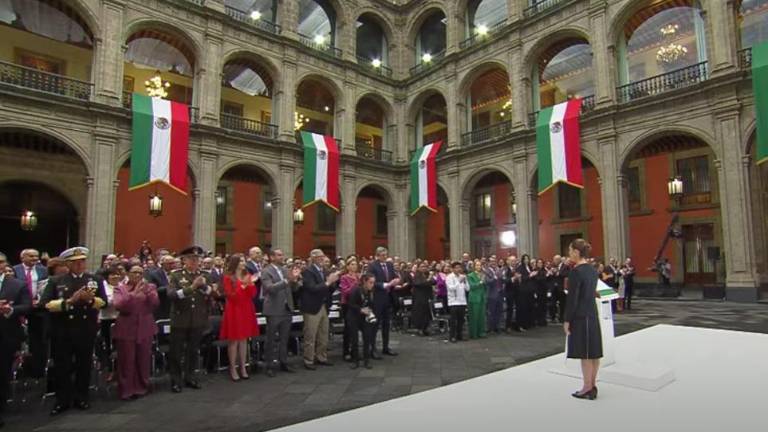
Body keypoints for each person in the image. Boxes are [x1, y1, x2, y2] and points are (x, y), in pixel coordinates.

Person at [40, 247, 107, 415]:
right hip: (63, 330)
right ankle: (62, 399)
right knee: (62, 366)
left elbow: (104, 302)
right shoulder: (56, 280)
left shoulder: (94, 280)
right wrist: (70, 301)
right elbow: (45, 304)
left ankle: (82, 397)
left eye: (82, 261)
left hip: (85, 329)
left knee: (83, 365)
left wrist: (91, 300)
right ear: (68, 264)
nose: (80, 265)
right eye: (76, 262)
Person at [167, 246, 213, 393]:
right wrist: (192, 287)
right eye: (191, 259)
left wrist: (202, 285)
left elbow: (210, 292)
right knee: (176, 352)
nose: (194, 262)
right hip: (180, 319)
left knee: (193, 351)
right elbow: (172, 295)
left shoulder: (205, 275)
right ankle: (176, 380)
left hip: (197, 319)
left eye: (197, 259)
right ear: (184, 260)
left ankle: (190, 376)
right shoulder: (176, 275)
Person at [563, 239, 602, 400]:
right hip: (592, 313)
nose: (569, 254)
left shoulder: (576, 272)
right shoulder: (593, 270)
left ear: (577, 253)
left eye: (571, 251)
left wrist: (566, 320)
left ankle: (586, 387)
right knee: (594, 352)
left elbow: (573, 299)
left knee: (585, 353)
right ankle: (592, 385)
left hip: (581, 315)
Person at [113, 265, 158, 400]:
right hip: (127, 328)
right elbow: (119, 305)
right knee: (127, 360)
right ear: (128, 273)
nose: (137, 275)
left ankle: (141, 387)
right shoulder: (120, 288)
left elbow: (155, 303)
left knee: (143, 358)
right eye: (134, 272)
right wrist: (133, 294)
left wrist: (147, 293)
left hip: (145, 327)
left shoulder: (150, 287)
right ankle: (126, 389)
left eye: (140, 273)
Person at [0, 251, 31, 428]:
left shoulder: (17, 285)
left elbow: (27, 306)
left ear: (6, 264)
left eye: (1, 262)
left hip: (6, 334)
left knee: (2, 373)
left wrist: (10, 310)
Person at [261, 248, 301, 377]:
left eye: (282, 254)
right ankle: (269, 365)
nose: (282, 257)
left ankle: (283, 362)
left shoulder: (285, 270)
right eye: (279, 255)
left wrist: (296, 281)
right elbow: (270, 289)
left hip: (286, 308)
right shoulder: (266, 271)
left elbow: (293, 288)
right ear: (271, 257)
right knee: (271, 339)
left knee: (284, 338)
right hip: (273, 309)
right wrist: (286, 281)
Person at [219, 254, 259, 382]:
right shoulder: (227, 277)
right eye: (241, 260)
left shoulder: (246, 274)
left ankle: (243, 367)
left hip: (246, 308)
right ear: (235, 262)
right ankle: (233, 368)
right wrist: (243, 286)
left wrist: (251, 284)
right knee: (234, 340)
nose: (244, 262)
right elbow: (232, 296)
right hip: (234, 310)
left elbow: (253, 294)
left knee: (244, 340)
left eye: (244, 260)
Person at [300, 249, 339, 370]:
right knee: (310, 335)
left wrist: (334, 283)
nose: (322, 259)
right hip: (312, 307)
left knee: (323, 333)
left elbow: (328, 289)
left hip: (323, 306)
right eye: (320, 257)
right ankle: (308, 359)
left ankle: (321, 356)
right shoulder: (307, 271)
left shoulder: (324, 271)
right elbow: (312, 288)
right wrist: (328, 282)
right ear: (313, 258)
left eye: (323, 256)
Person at [13, 249, 48, 380]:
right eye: (31, 256)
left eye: (36, 256)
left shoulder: (43, 270)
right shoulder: (15, 270)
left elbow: (44, 288)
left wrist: (39, 300)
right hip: (20, 308)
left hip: (37, 309)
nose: (35, 258)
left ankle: (36, 371)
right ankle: (18, 368)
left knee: (38, 340)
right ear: (22, 258)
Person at [368, 247, 400, 357]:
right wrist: (386, 284)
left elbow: (394, 277)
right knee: (375, 324)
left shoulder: (390, 265)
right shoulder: (372, 266)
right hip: (377, 298)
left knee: (387, 324)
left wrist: (396, 280)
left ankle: (386, 347)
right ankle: (373, 349)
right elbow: (371, 281)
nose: (385, 256)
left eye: (386, 254)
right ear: (377, 255)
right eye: (382, 255)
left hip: (388, 298)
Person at [346, 273, 377, 369]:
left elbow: (371, 303)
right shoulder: (356, 290)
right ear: (364, 282)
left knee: (367, 337)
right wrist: (360, 309)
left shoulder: (371, 291)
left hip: (364, 317)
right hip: (354, 316)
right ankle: (355, 360)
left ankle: (366, 360)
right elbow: (350, 304)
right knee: (354, 339)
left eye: (373, 283)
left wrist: (370, 311)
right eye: (370, 282)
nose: (372, 285)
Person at [97, 266, 122, 379]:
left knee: (120, 345)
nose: (115, 276)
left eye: (117, 274)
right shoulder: (103, 287)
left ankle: (119, 369)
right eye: (112, 274)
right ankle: (109, 370)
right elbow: (103, 303)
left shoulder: (122, 286)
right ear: (107, 277)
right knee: (108, 346)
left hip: (121, 319)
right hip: (107, 319)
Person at [339, 258, 360, 362]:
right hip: (347, 304)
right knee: (348, 329)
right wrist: (355, 285)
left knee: (355, 329)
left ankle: (354, 351)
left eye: (355, 264)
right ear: (347, 266)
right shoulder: (344, 277)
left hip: (356, 304)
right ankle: (346, 352)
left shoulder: (358, 277)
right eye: (352, 264)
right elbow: (345, 291)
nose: (354, 266)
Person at [145, 255, 175, 319]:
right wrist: (167, 287)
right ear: (163, 264)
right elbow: (152, 291)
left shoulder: (177, 273)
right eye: (170, 264)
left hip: (175, 308)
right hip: (162, 307)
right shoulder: (153, 274)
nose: (173, 266)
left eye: (173, 263)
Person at [410, 262, 436, 336]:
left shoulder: (428, 274)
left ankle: (425, 328)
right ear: (418, 268)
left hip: (428, 296)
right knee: (420, 313)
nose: (424, 268)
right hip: (419, 297)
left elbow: (434, 282)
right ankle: (420, 329)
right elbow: (420, 284)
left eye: (425, 266)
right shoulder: (417, 275)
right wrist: (428, 280)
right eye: (422, 266)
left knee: (427, 313)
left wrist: (429, 280)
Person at [445, 262, 468, 343]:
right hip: (453, 302)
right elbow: (451, 288)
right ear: (452, 269)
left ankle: (459, 335)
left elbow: (467, 289)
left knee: (461, 320)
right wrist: (459, 281)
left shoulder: (462, 276)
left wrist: (465, 282)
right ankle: (452, 336)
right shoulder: (449, 277)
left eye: (459, 267)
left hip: (462, 301)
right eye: (456, 267)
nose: (458, 269)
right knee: (453, 321)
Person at [467, 260, 487, 339]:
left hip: (482, 297)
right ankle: (474, 333)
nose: (479, 267)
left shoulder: (483, 274)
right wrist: (480, 282)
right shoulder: (470, 275)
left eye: (480, 265)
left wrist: (484, 283)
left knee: (481, 316)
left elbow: (485, 286)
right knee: (474, 316)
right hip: (474, 298)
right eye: (477, 265)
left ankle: (481, 332)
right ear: (474, 266)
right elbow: (471, 286)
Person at [484, 257, 504, 333]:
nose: (494, 263)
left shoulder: (499, 270)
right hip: (491, 294)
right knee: (491, 312)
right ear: (489, 263)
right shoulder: (486, 271)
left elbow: (502, 280)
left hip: (500, 293)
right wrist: (494, 278)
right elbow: (487, 282)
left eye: (495, 261)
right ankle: (490, 328)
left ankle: (497, 327)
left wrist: (502, 277)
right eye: (492, 261)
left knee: (499, 311)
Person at [516, 254, 535, 330]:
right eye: (525, 259)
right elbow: (521, 279)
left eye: (527, 259)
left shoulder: (530, 267)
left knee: (530, 306)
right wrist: (530, 276)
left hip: (530, 290)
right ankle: (522, 324)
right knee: (523, 307)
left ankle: (529, 323)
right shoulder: (520, 268)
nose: (526, 260)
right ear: (522, 260)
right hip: (523, 290)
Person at [503, 256, 521, 332]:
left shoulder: (517, 269)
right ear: (508, 261)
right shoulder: (506, 270)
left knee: (518, 309)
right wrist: (513, 278)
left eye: (515, 261)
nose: (514, 262)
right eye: (512, 261)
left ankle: (517, 325)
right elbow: (505, 281)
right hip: (509, 292)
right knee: (509, 309)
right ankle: (508, 326)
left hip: (517, 291)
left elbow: (519, 281)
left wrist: (519, 278)